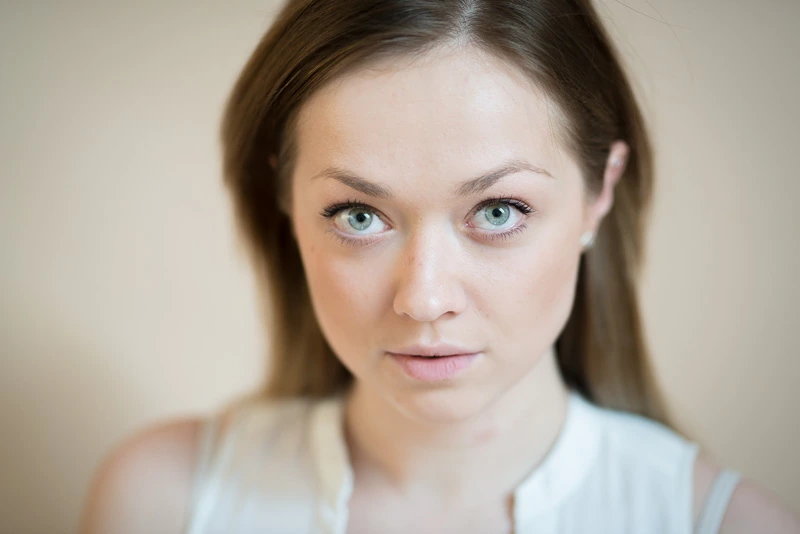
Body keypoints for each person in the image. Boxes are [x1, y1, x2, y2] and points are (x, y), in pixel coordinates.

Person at [80, 0, 800, 533]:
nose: (424, 300)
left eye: (497, 211)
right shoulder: (160, 502)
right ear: (283, 199)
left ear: (599, 192)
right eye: (358, 216)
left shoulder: (731, 525)